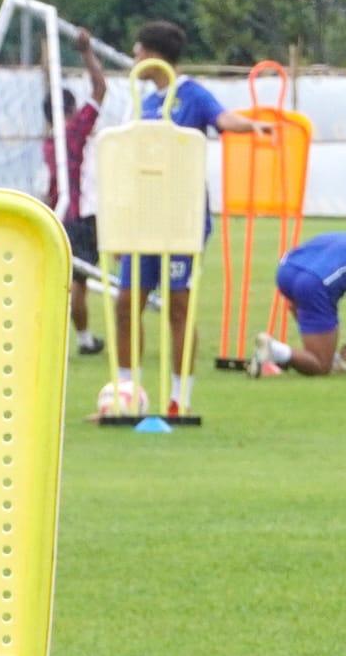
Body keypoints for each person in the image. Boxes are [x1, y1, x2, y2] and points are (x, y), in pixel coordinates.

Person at [114, 21, 270, 416]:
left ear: (151, 55)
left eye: (137, 52)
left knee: (178, 305)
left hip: (181, 218)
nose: (133, 59)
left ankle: (180, 396)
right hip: (144, 217)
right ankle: (126, 390)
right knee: (126, 301)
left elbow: (223, 119)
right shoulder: (143, 102)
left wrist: (250, 126)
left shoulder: (191, 95)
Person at [43, 27, 109, 355]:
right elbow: (100, 87)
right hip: (79, 214)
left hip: (58, 213)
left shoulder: (48, 140)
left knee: (65, 279)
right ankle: (82, 340)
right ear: (69, 109)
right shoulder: (74, 130)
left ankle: (65, 337)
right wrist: (86, 53)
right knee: (80, 280)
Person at [247, 232, 346, 377]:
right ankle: (274, 350)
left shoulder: (345, 236)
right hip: (314, 283)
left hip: (286, 270)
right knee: (322, 365)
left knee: (310, 312)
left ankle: (317, 353)